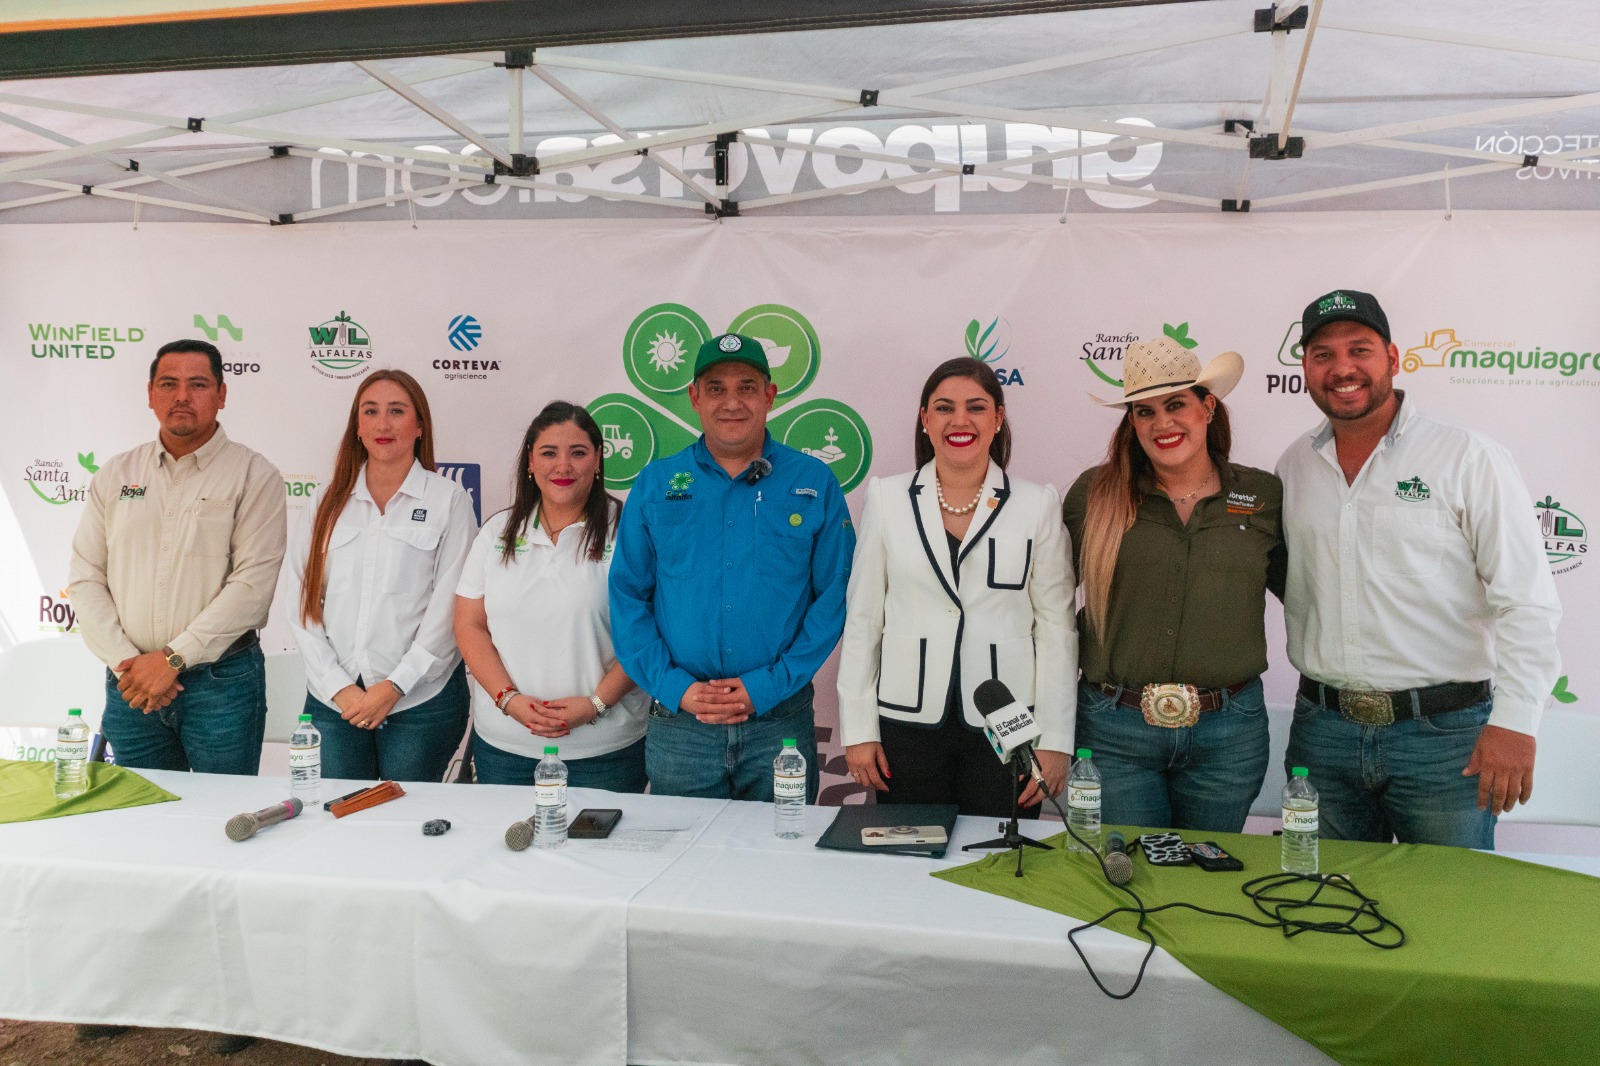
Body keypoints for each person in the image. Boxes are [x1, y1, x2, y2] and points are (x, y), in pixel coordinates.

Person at [1278, 289, 1561, 848]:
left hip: (1444, 739)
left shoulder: (1467, 457)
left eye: (1359, 350)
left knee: (1448, 896)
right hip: (1323, 734)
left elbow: (1525, 598)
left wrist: (1516, 721)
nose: (1342, 368)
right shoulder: (1294, 465)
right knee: (1320, 891)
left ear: (1392, 357)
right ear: (1306, 369)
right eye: (1323, 355)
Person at [610, 334, 854, 801]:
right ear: (694, 397)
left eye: (746, 387)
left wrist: (768, 685)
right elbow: (627, 596)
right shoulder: (656, 483)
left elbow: (834, 596)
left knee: (784, 846)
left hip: (778, 723)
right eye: (716, 388)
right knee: (682, 848)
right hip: (681, 728)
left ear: (769, 395)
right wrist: (675, 687)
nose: (732, 402)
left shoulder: (813, 482)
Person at [1063, 336, 1285, 833]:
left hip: (1228, 734)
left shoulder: (1262, 494)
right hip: (1115, 732)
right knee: (1130, 870)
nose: (1162, 423)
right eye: (1144, 411)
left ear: (1208, 407)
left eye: (1176, 404)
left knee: (1209, 871)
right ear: (1132, 423)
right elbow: (1043, 605)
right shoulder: (1094, 495)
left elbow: (1307, 596)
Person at [838, 358, 1075, 817]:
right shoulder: (887, 498)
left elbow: (1056, 629)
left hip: (1007, 718)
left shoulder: (1036, 504)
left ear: (998, 418)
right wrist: (859, 729)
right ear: (925, 419)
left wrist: (1056, 738)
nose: (960, 420)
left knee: (1001, 853)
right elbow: (864, 618)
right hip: (905, 723)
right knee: (909, 851)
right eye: (944, 408)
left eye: (976, 407)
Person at [70, 338, 287, 776]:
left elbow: (251, 588)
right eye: (168, 384)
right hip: (131, 685)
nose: (182, 396)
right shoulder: (117, 473)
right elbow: (86, 576)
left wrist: (170, 660)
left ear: (222, 394)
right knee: (143, 809)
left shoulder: (254, 475)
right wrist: (129, 665)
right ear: (151, 394)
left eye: (198, 384)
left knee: (223, 812)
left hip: (220, 685)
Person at [286, 370, 476, 783]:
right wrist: (338, 687)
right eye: (370, 411)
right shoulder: (324, 500)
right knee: (337, 814)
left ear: (420, 425)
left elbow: (450, 609)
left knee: (407, 816)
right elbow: (301, 601)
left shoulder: (449, 501)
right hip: (335, 702)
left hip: (420, 703)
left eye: (397, 411)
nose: (383, 424)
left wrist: (395, 686)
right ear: (357, 427)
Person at [454, 402, 647, 790]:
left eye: (578, 453)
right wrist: (508, 700)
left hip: (605, 752)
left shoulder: (629, 531)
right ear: (530, 461)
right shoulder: (497, 532)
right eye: (548, 453)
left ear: (597, 460)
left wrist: (595, 704)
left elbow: (650, 633)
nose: (563, 466)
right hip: (505, 750)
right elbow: (469, 624)